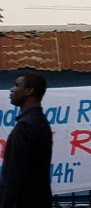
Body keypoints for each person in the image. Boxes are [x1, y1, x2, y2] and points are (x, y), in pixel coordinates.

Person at [0, 72, 53, 208]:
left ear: (29, 91)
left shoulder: (26, 125)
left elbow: (16, 172)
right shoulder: (39, 121)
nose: (11, 89)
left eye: (17, 85)